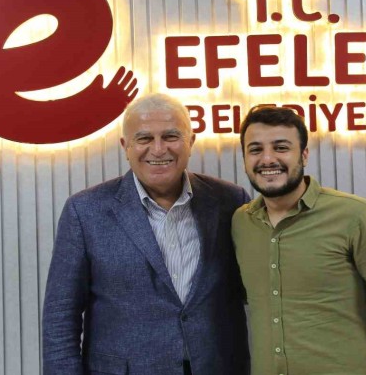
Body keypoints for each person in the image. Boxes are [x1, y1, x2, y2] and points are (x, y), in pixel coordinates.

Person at [42, 93, 250, 375]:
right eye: (144, 139)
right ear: (125, 147)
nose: (159, 149)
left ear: (190, 142)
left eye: (171, 136)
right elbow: (60, 315)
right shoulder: (85, 211)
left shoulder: (230, 200)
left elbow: (256, 289)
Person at [232, 106, 366, 375]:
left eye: (281, 147)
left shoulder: (357, 216)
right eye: (255, 149)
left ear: (304, 154)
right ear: (244, 159)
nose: (268, 158)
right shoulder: (241, 223)